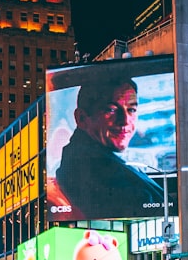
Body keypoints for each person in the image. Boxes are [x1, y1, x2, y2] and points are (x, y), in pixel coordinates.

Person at [54, 77, 163, 219]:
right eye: (111, 110)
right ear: (81, 118)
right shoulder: (89, 166)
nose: (125, 121)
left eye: (131, 109)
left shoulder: (95, 157)